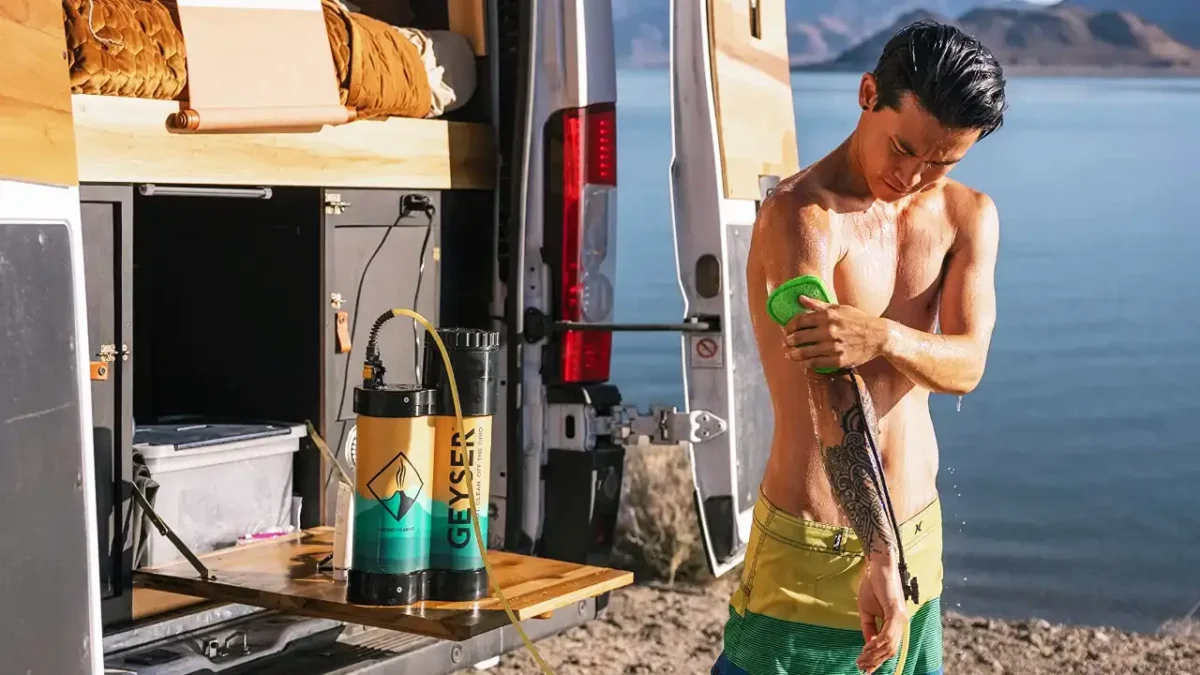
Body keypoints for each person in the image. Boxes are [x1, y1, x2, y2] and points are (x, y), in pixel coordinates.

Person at [711, 20, 1007, 675]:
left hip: (919, 540)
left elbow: (969, 364)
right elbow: (830, 387)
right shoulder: (800, 218)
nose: (914, 175)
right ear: (868, 92)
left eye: (943, 160)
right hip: (815, 547)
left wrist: (880, 334)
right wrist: (877, 551)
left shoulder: (966, 216)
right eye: (904, 148)